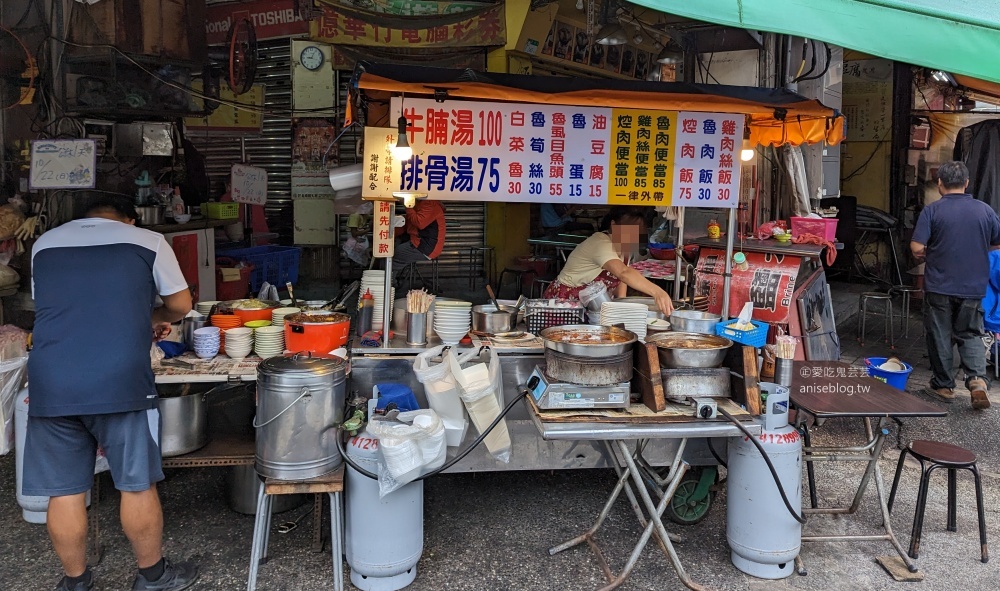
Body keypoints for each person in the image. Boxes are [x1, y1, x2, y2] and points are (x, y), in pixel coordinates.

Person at [24, 195, 198, 591]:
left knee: (64, 489)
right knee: (136, 483)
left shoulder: (45, 244)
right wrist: (151, 317)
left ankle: (75, 582)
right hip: (118, 377)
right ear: (130, 219)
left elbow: (58, 305)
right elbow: (180, 304)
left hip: (53, 378)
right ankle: (153, 577)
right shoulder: (148, 242)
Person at [911, 161, 1000, 409]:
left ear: (940, 184)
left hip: (939, 285)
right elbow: (997, 243)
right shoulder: (985, 211)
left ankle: (943, 386)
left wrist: (932, 252)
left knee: (940, 333)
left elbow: (917, 247)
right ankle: (977, 382)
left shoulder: (933, 211)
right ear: (967, 183)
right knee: (971, 332)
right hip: (973, 286)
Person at [544, 206, 674, 316]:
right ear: (613, 225)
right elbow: (624, 273)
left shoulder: (625, 248)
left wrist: (620, 307)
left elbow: (621, 280)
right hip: (564, 305)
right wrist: (658, 292)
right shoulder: (600, 242)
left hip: (592, 308)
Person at [392, 199, 446, 284]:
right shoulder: (422, 203)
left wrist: (408, 206)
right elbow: (411, 224)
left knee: (392, 256)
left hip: (426, 246)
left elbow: (419, 222)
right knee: (395, 246)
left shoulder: (430, 204)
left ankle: (388, 285)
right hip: (420, 241)